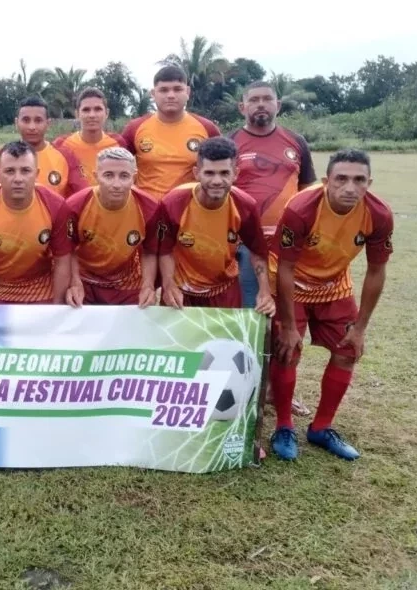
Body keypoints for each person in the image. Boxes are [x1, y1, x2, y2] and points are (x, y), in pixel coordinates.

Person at [269, 149, 394, 462]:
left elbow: (376, 271)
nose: (349, 187)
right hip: (291, 285)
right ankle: (284, 425)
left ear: (369, 183)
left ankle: (321, 427)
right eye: (341, 179)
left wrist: (361, 328)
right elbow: (285, 267)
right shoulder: (301, 208)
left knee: (347, 351)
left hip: (333, 286)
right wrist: (286, 324)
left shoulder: (378, 214)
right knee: (287, 351)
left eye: (358, 180)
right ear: (327, 181)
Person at [230, 80, 317, 416]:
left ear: (278, 104)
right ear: (243, 107)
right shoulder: (229, 143)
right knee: (252, 322)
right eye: (254, 99)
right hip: (245, 251)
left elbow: (309, 194)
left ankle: (275, 390)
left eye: (267, 99)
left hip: (289, 252)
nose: (261, 105)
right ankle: (247, 388)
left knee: (285, 325)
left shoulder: (297, 143)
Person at [152, 137, 275, 314]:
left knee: (224, 342)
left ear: (235, 174)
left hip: (223, 290)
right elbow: (164, 250)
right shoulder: (173, 203)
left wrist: (264, 291)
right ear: (196, 173)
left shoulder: (245, 206)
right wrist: (168, 284)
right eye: (209, 173)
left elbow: (257, 251)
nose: (217, 181)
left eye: (224, 173)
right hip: (181, 292)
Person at [0, 140, 72, 304]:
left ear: (37, 174)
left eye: (25, 171)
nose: (18, 179)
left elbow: (63, 260)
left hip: (38, 284)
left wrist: (57, 309)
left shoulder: (56, 206)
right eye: (10, 171)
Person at [63, 147, 159, 307]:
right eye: (108, 175)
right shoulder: (75, 206)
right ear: (96, 176)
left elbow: (149, 251)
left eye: (124, 176)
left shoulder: (149, 207)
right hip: (84, 278)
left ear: (134, 178)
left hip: (126, 280)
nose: (116, 184)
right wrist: (74, 281)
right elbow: (68, 250)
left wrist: (148, 285)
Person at [122, 65, 221, 199]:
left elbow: (222, 170)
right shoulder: (135, 128)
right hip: (147, 212)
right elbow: (116, 167)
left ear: (187, 92)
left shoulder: (207, 128)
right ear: (153, 94)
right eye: (163, 90)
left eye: (177, 89)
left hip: (190, 211)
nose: (170, 95)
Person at [15, 96, 87, 198]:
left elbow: (82, 197)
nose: (32, 127)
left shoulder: (66, 157)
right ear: (16, 123)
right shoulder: (3, 157)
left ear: (48, 124)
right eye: (26, 120)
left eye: (38, 120)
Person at [53, 87, 127, 187]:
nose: (92, 115)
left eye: (98, 109)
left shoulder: (118, 144)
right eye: (86, 110)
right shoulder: (61, 144)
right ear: (77, 114)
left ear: (106, 113)